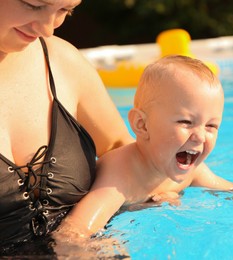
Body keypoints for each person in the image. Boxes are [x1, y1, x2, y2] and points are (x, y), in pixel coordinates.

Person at [62, 55, 233, 236]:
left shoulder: (189, 171)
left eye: (211, 126)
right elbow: (76, 230)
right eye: (186, 122)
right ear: (142, 125)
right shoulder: (120, 176)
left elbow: (229, 189)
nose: (200, 136)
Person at [0, 0, 134, 252]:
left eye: (65, 10)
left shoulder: (63, 62)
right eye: (34, 5)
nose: (48, 28)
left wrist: (79, 227)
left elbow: (122, 151)